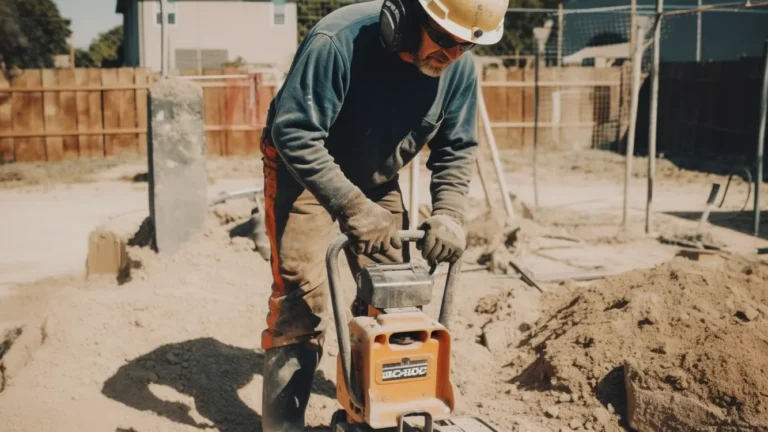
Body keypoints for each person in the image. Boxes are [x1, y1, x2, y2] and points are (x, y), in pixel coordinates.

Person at [258, 0, 508, 429]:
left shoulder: (458, 68)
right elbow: (294, 131)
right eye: (446, 40)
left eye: (465, 46)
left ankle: (370, 409)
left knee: (395, 293)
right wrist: (351, 207)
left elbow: (456, 148)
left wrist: (448, 212)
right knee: (302, 299)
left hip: (376, 175)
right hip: (303, 172)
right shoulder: (337, 42)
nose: (451, 56)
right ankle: (282, 425)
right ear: (409, 18)